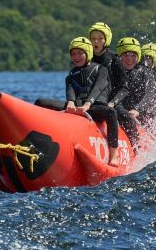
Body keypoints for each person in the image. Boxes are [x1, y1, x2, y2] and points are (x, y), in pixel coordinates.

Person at [34, 37, 120, 165]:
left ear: (88, 53)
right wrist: (70, 102)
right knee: (40, 102)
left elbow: (98, 87)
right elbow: (70, 92)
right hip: (77, 108)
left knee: (111, 112)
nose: (76, 57)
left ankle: (114, 154)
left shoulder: (101, 69)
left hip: (96, 108)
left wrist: (87, 104)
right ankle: (39, 140)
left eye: (80, 53)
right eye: (73, 54)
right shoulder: (71, 75)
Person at [115, 37, 154, 144]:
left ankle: (137, 147)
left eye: (133, 55)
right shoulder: (113, 71)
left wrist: (137, 109)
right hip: (118, 110)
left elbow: (149, 95)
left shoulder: (144, 72)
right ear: (120, 56)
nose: (129, 59)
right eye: (125, 55)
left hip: (138, 114)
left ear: (138, 56)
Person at [88, 22, 129, 108]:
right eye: (93, 38)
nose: (96, 41)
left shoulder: (114, 59)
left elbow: (124, 88)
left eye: (100, 38)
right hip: (89, 102)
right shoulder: (86, 58)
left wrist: (112, 103)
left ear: (106, 40)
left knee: (121, 112)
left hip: (111, 104)